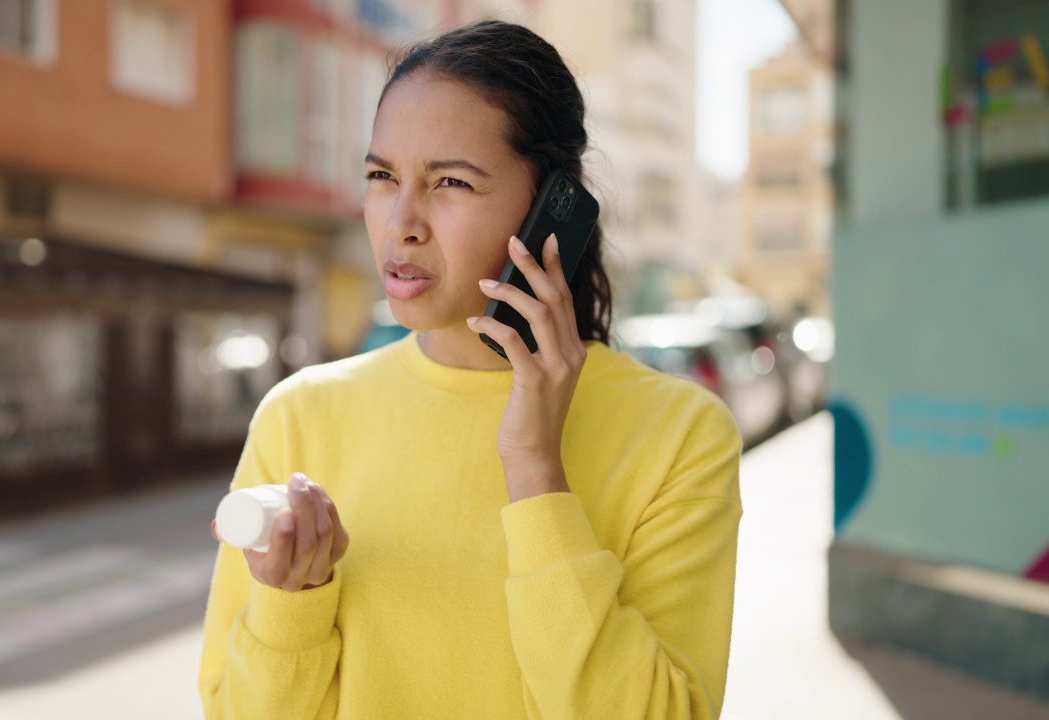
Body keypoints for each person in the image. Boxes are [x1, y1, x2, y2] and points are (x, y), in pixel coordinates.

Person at [199, 20, 742, 719]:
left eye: (450, 181)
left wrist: (536, 471)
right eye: (381, 176)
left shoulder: (680, 434)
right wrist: (290, 602)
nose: (401, 222)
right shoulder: (298, 416)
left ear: (553, 209)